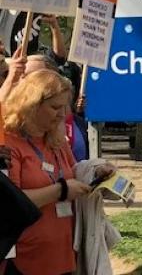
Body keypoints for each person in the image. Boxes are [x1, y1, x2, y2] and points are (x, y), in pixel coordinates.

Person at [3, 70, 114, 275]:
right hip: (24, 260)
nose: (63, 114)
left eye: (65, 106)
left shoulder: (57, 140)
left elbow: (74, 172)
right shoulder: (8, 144)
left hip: (63, 254)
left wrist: (95, 172)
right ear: (32, 104)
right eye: (55, 107)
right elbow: (10, 203)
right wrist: (60, 191)